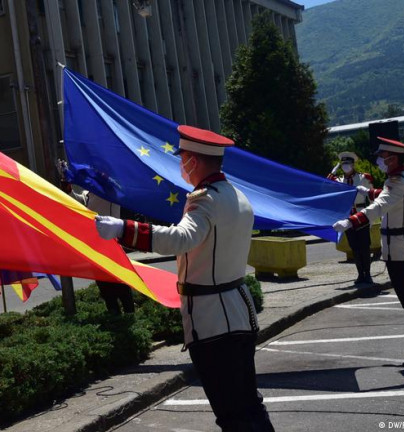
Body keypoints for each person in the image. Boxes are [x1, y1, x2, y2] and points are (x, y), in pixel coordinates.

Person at [95, 126, 273, 431]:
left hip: (213, 321)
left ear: (195, 160)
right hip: (237, 313)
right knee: (247, 404)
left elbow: (182, 238)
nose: (181, 165)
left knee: (232, 412)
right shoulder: (236, 195)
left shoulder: (204, 199)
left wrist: (124, 229)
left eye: (184, 158)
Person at [333, 137, 404, 367]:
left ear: (393, 158)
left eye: (382, 157)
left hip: (401, 248)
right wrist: (369, 192)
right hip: (401, 246)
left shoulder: (398, 183)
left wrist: (351, 222)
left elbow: (380, 207)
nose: (379, 161)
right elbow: (385, 197)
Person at [58, 159, 135, 315]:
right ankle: (115, 316)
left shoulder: (109, 188)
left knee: (120, 283)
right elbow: (81, 203)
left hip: (111, 242)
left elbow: (105, 189)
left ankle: (129, 316)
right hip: (96, 244)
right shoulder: (91, 192)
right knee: (105, 286)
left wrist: (77, 175)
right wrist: (67, 185)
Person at [327, 151, 375, 286]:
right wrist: (333, 173)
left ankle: (368, 274)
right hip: (347, 218)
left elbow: (372, 198)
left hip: (362, 216)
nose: (346, 166)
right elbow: (326, 185)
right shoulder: (339, 181)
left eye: (348, 163)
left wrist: (372, 217)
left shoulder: (363, 178)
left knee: (365, 247)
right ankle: (360, 274)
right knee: (355, 248)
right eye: (343, 164)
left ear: (353, 164)